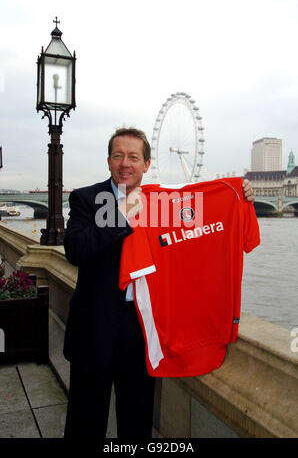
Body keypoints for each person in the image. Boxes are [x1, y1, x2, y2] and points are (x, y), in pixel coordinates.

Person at [63, 127, 255, 439]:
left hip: (142, 331)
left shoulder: (162, 205)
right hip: (93, 330)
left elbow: (208, 220)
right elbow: (75, 250)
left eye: (134, 157)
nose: (126, 163)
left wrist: (238, 193)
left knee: (137, 422)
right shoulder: (87, 199)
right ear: (108, 161)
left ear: (146, 165)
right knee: (84, 422)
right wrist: (120, 215)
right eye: (118, 156)